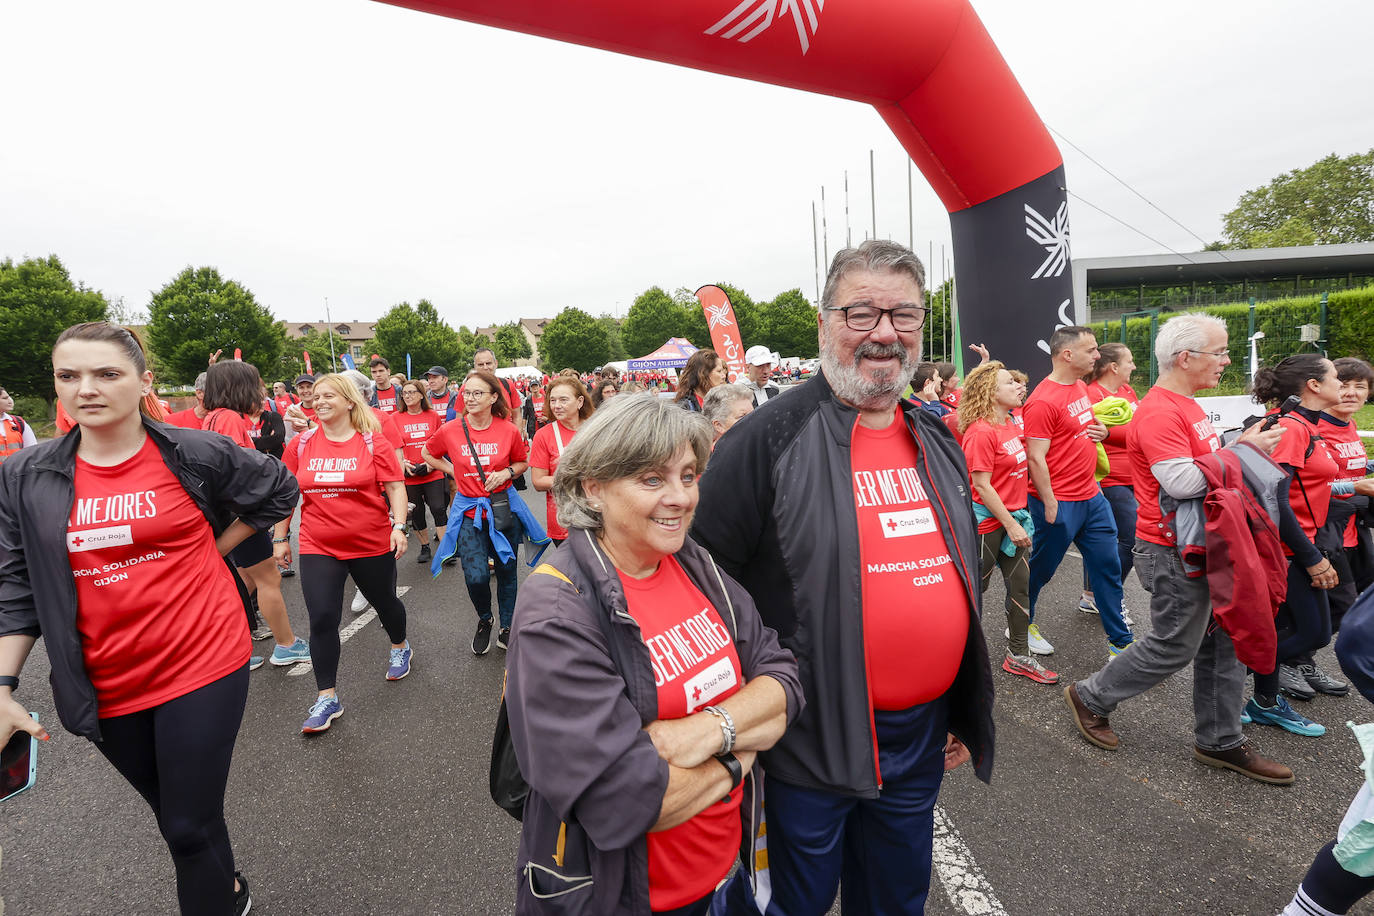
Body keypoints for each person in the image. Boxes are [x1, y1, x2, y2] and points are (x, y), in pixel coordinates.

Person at [694, 239, 992, 915]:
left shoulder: (935, 435)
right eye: (861, 313)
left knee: (894, 899)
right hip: (805, 735)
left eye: (904, 315)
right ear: (824, 324)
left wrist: (955, 699)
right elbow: (703, 583)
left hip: (918, 736)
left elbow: (958, 569)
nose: (884, 333)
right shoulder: (763, 440)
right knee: (793, 904)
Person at [0, 321, 299, 915]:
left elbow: (278, 488)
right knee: (180, 817)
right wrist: (4, 685)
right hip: (102, 680)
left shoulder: (195, 451)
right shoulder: (23, 476)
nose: (86, 388)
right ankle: (230, 889)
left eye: (106, 373)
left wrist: (214, 548)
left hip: (202, 657)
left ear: (143, 382)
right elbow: (17, 582)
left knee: (187, 824)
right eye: (69, 376)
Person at [505, 395, 803, 915]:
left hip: (716, 873)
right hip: (627, 897)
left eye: (688, 476)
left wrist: (704, 733)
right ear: (593, 487)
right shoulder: (558, 609)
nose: (681, 497)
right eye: (651, 480)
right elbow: (627, 800)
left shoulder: (693, 562)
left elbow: (782, 679)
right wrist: (740, 753)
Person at [1063, 312, 1295, 784]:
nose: (1227, 362)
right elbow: (1183, 480)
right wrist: (1244, 449)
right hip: (1171, 547)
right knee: (1174, 645)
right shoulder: (1163, 410)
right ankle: (1090, 696)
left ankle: (1221, 741)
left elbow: (1201, 462)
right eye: (1220, 352)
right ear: (1185, 357)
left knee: (1225, 641)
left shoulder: (1185, 403)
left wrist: (1237, 444)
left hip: (1204, 541)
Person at [275, 373, 412, 734]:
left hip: (370, 542)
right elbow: (288, 494)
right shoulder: (302, 444)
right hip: (319, 544)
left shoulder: (372, 443)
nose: (318, 401)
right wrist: (280, 537)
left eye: (327, 396)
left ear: (350, 401)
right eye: (315, 396)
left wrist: (398, 527)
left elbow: (396, 487)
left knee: (385, 604)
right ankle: (327, 697)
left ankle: (400, 645)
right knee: (322, 618)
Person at [1242, 355, 1355, 736]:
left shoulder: (1310, 424)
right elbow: (1274, 499)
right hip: (1286, 549)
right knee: (1312, 634)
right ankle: (1237, 672)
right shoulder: (1293, 429)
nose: (1343, 385)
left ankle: (1264, 700)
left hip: (1304, 544)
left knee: (1306, 631)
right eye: (1337, 378)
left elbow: (1313, 487)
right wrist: (1309, 558)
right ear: (1313, 385)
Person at [1023, 326, 1133, 659]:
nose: (1097, 356)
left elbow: (1080, 431)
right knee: (1041, 570)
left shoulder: (1081, 388)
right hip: (1058, 502)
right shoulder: (1041, 401)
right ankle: (1020, 623)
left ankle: (1120, 641)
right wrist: (1051, 502)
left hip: (1092, 497)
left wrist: (1099, 431)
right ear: (1067, 355)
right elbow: (1035, 457)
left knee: (1107, 566)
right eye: (1091, 350)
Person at [202, 361, 310, 671]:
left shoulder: (213, 417)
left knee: (243, 582)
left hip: (227, 512)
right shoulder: (231, 420)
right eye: (256, 384)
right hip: (240, 513)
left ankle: (232, 646)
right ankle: (287, 645)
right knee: (268, 578)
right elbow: (237, 473)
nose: (261, 391)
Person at [958, 362, 1055, 684]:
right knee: (972, 594)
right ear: (990, 392)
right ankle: (953, 658)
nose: (1018, 386)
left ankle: (1018, 655)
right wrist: (1011, 525)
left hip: (1014, 518)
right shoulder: (981, 432)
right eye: (1009, 382)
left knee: (1020, 588)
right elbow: (982, 486)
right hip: (989, 527)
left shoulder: (1012, 423)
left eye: (1017, 381)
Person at [422, 369, 529, 654]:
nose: (469, 398)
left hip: (502, 509)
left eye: (477, 393)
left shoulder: (508, 430)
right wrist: (453, 472)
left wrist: (506, 473)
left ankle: (507, 625)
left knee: (507, 572)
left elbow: (521, 463)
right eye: (467, 393)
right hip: (469, 513)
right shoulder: (451, 429)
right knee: (476, 576)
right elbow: (427, 453)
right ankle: (485, 618)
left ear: (494, 397)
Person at [1080, 343, 1140, 624]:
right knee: (1130, 538)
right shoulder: (1090, 394)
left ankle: (1092, 596)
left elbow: (1139, 429)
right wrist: (1110, 435)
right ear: (1114, 366)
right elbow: (1089, 433)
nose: (1134, 366)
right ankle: (1108, 597)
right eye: (1130, 361)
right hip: (1109, 478)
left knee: (1103, 540)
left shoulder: (1127, 392)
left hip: (1135, 475)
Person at [529, 376, 593, 544]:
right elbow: (538, 481)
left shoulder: (596, 428)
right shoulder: (544, 435)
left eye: (563, 400)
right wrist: (577, 478)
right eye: (553, 400)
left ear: (580, 401)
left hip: (600, 516)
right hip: (565, 522)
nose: (557, 406)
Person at [396, 379, 448, 565]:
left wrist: (432, 465)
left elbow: (442, 442)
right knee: (416, 513)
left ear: (421, 394)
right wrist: (402, 464)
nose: (408, 396)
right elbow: (394, 446)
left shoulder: (432, 416)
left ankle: (445, 549)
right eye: (405, 393)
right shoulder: (396, 418)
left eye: (411, 392)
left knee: (438, 508)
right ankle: (425, 546)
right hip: (409, 475)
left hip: (432, 471)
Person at [0, 387, 37, 464]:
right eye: (4, 398)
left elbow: (32, 452)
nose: (10, 401)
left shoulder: (18, 422)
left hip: (16, 474)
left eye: (9, 396)